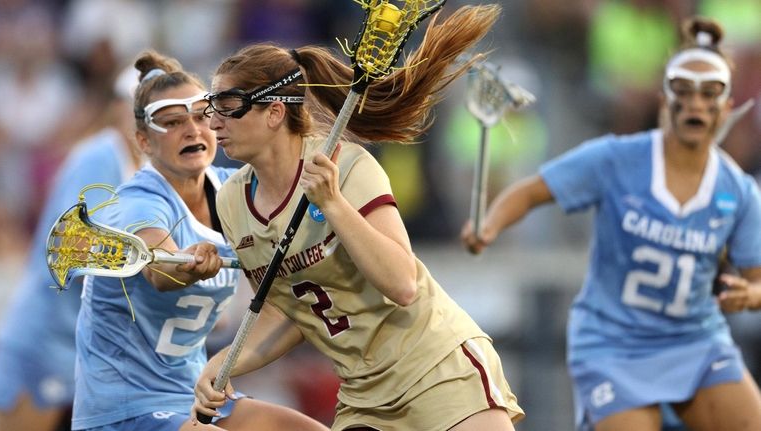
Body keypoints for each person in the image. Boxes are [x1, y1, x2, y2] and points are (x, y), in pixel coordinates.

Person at [191, 4, 524, 431]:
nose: (213, 120)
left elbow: (402, 283)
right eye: (212, 104)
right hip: (364, 397)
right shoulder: (232, 202)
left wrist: (333, 204)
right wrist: (222, 365)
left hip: (436, 370)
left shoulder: (345, 166)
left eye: (228, 105)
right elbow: (284, 311)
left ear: (274, 112)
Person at [461, 16, 761, 431]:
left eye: (709, 94)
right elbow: (532, 191)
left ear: (726, 107)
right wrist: (490, 225)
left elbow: (757, 281)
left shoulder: (739, 191)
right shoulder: (616, 159)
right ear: (663, 100)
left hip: (694, 341)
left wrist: (751, 294)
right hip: (613, 343)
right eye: (683, 91)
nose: (695, 104)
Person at [71, 50, 328, 431]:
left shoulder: (232, 191)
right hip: (125, 409)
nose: (192, 130)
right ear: (143, 141)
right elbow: (160, 270)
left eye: (200, 116)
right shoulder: (137, 201)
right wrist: (187, 265)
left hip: (196, 395)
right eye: (172, 122)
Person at [0, 65, 143, 431]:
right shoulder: (101, 156)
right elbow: (68, 248)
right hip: (48, 342)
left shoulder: (144, 168)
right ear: (119, 107)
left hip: (88, 352)